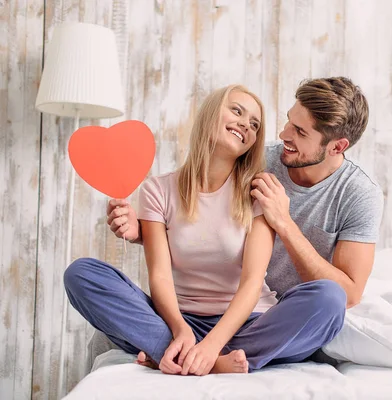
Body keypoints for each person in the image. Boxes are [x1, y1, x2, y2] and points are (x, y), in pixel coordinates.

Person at [64, 84, 346, 377]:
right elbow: (159, 275)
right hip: (179, 321)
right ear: (212, 112)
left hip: (248, 323)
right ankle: (194, 355)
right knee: (81, 274)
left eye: (254, 124)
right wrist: (180, 328)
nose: (244, 125)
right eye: (236, 111)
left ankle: (176, 355)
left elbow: (252, 282)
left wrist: (212, 346)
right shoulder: (158, 190)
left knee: (329, 299)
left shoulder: (258, 191)